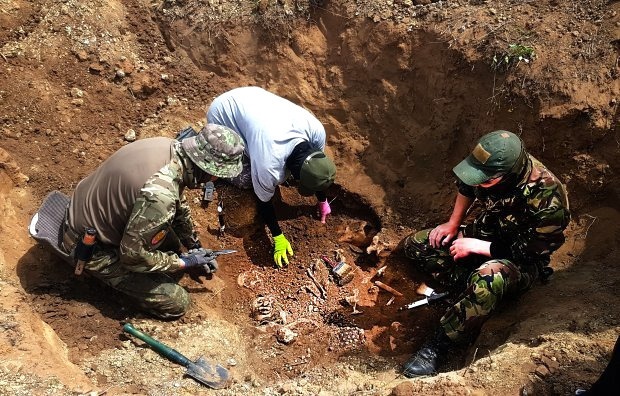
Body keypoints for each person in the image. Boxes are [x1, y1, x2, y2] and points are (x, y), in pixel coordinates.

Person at [401, 130, 570, 377]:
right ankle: (467, 291)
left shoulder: (548, 198)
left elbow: (532, 251)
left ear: (507, 175)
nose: (479, 183)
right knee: (416, 245)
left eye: (486, 181)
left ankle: (440, 344)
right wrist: (453, 224)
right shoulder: (488, 163)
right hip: (483, 234)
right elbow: (467, 186)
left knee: (487, 280)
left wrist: (478, 247)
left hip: (518, 262)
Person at [60, 125, 245, 319]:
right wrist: (184, 262)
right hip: (89, 247)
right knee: (177, 301)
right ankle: (116, 294)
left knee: (172, 243)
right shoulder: (160, 195)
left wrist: (193, 244)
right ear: (210, 170)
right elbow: (132, 256)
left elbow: (178, 204)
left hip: (88, 210)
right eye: (220, 175)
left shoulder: (170, 149)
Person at [206, 86, 336, 268]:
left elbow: (318, 169)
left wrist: (322, 200)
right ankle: (215, 157)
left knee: (259, 163)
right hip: (223, 114)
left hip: (252, 97)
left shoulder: (316, 132)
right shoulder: (270, 165)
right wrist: (278, 236)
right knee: (247, 180)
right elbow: (264, 202)